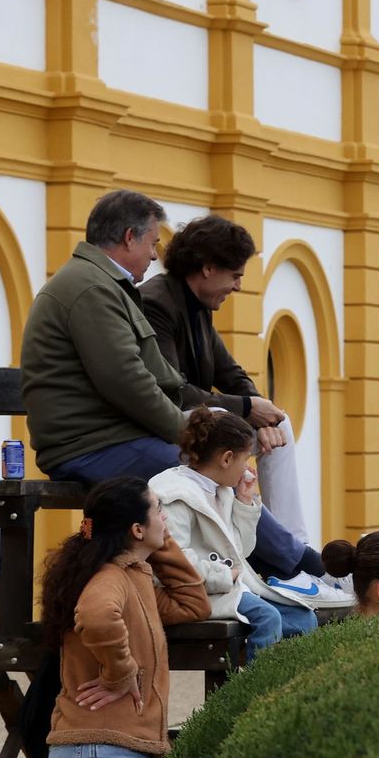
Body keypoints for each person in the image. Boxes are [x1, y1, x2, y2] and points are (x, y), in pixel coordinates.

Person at [20, 191, 320, 581]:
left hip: (111, 436)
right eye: (151, 242)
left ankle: (276, 565)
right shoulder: (93, 288)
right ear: (130, 237)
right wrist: (190, 434)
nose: (154, 253)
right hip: (88, 446)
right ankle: (294, 566)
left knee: (214, 459)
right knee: (204, 467)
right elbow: (126, 382)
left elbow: (160, 377)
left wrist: (226, 417)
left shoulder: (106, 285)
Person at [39, 476, 210, 758]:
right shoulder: (110, 578)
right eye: (158, 510)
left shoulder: (133, 579)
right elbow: (97, 616)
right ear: (136, 528)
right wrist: (122, 672)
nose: (165, 517)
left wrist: (158, 539)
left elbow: (193, 602)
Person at [135, 215, 312, 540]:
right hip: (158, 429)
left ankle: (295, 544)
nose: (238, 286)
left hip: (187, 424)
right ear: (207, 267)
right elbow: (171, 391)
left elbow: (230, 373)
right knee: (221, 421)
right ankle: (284, 553)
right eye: (235, 275)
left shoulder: (197, 305)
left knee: (280, 423)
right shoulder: (155, 303)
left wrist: (263, 415)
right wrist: (246, 407)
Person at [147, 408, 319, 659]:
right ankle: (253, 693)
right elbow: (174, 563)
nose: (247, 466)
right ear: (226, 459)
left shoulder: (222, 490)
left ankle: (286, 688)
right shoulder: (174, 494)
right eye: (245, 458)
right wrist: (225, 574)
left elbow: (242, 550)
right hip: (195, 592)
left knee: (304, 618)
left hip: (228, 586)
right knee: (267, 619)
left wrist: (245, 503)